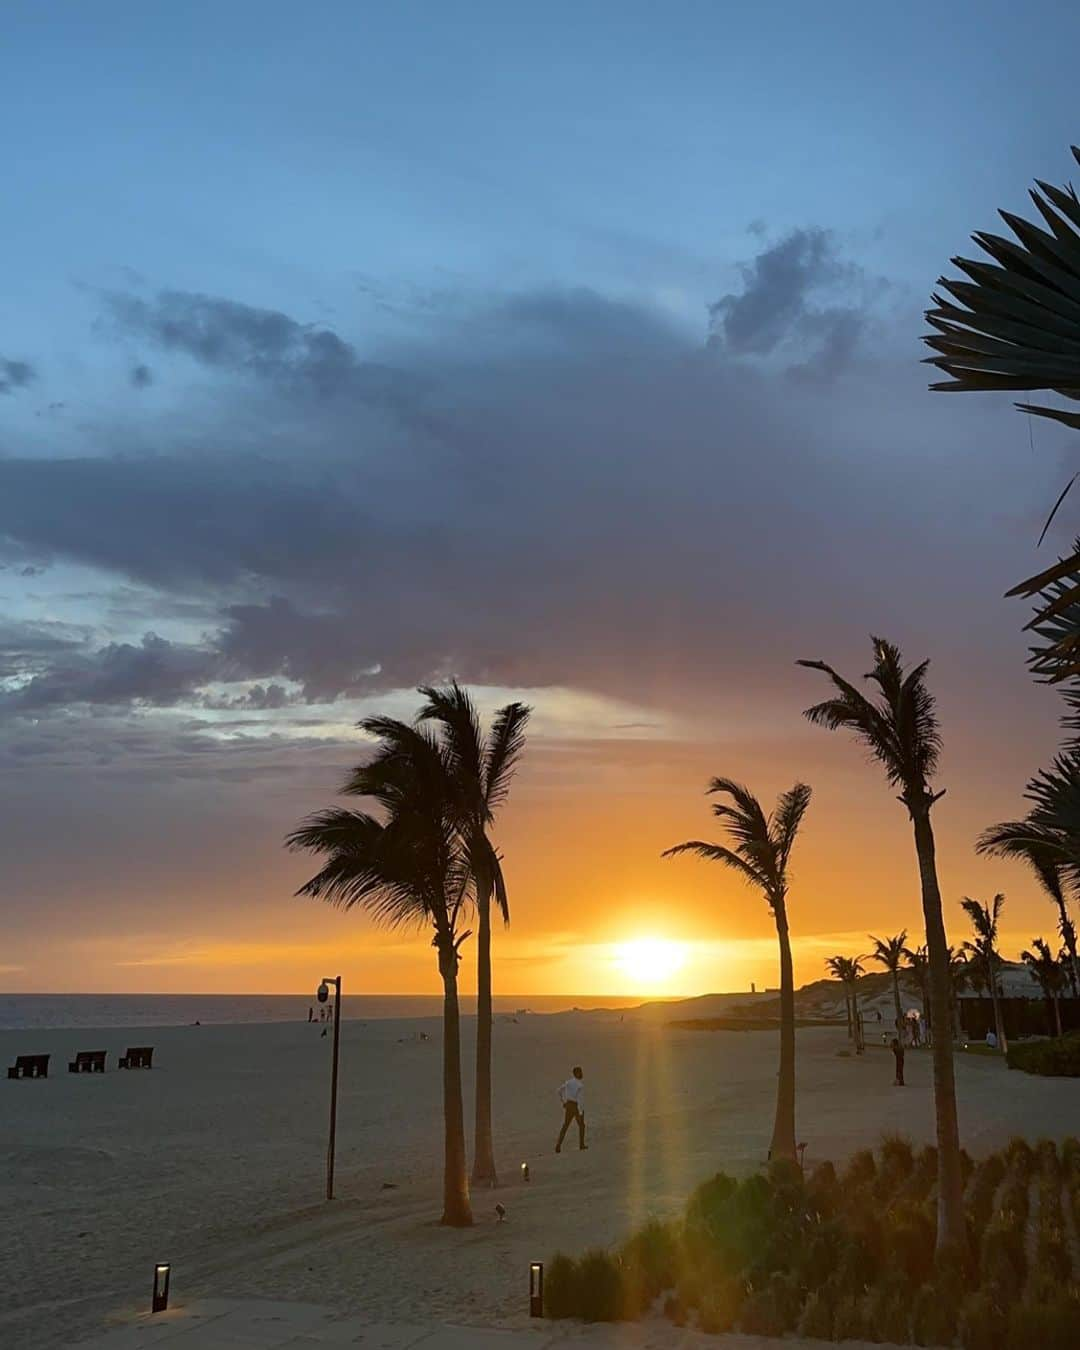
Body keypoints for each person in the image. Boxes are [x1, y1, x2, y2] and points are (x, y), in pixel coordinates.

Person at [555, 1066, 586, 1153]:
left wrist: (563, 1102)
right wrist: (580, 1112)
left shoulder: (568, 1082)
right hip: (576, 1106)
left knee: (565, 1126)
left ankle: (558, 1145)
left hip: (568, 1105)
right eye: (580, 1072)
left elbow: (559, 1091)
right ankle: (581, 1144)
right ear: (577, 1073)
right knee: (582, 1126)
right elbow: (580, 1099)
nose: (582, 1074)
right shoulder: (580, 1085)